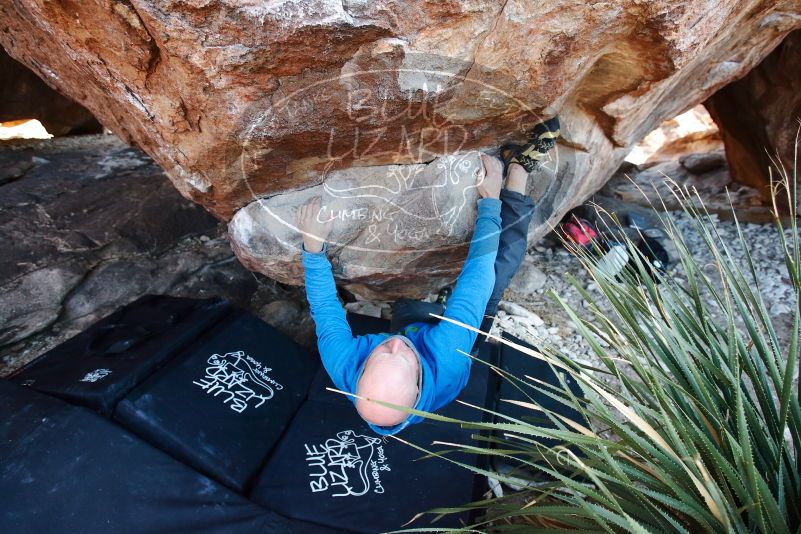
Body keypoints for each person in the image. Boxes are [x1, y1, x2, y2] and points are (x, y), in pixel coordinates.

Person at [297, 118, 560, 436]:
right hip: (447, 345)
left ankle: (432, 309)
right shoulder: (448, 356)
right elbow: (477, 277)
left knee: (409, 313)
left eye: (380, 354)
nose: (395, 345)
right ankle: (519, 169)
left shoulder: (343, 364)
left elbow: (325, 308)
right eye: (403, 358)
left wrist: (313, 247)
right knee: (501, 265)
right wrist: (490, 201)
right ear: (419, 382)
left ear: (359, 375)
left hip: (413, 326)